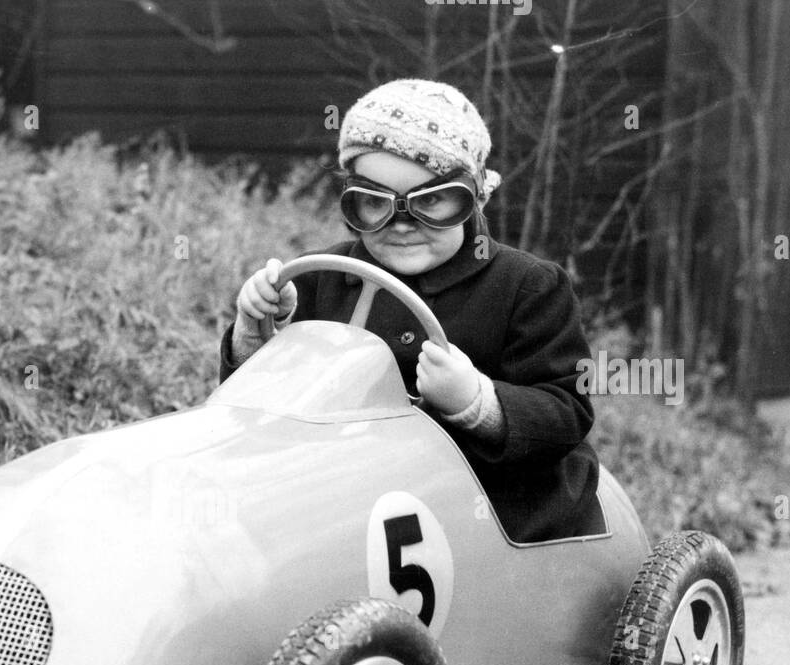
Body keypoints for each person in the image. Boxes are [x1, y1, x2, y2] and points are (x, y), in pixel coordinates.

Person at [219, 78, 604, 543]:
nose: (401, 225)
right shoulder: (322, 278)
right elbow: (270, 413)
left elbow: (567, 413)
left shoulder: (529, 287)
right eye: (374, 204)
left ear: (474, 196)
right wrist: (256, 336)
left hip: (489, 511)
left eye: (432, 202)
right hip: (349, 499)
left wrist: (478, 403)